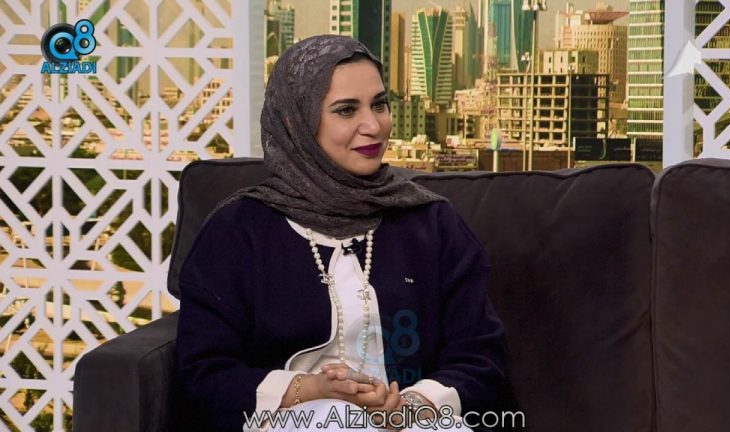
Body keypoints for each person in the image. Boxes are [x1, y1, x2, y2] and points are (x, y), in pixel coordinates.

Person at [173, 35, 506, 432]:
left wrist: (410, 407)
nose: (373, 126)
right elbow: (203, 373)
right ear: (296, 123)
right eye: (347, 110)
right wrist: (309, 390)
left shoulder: (432, 224)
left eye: (379, 104)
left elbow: (480, 356)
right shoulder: (238, 233)